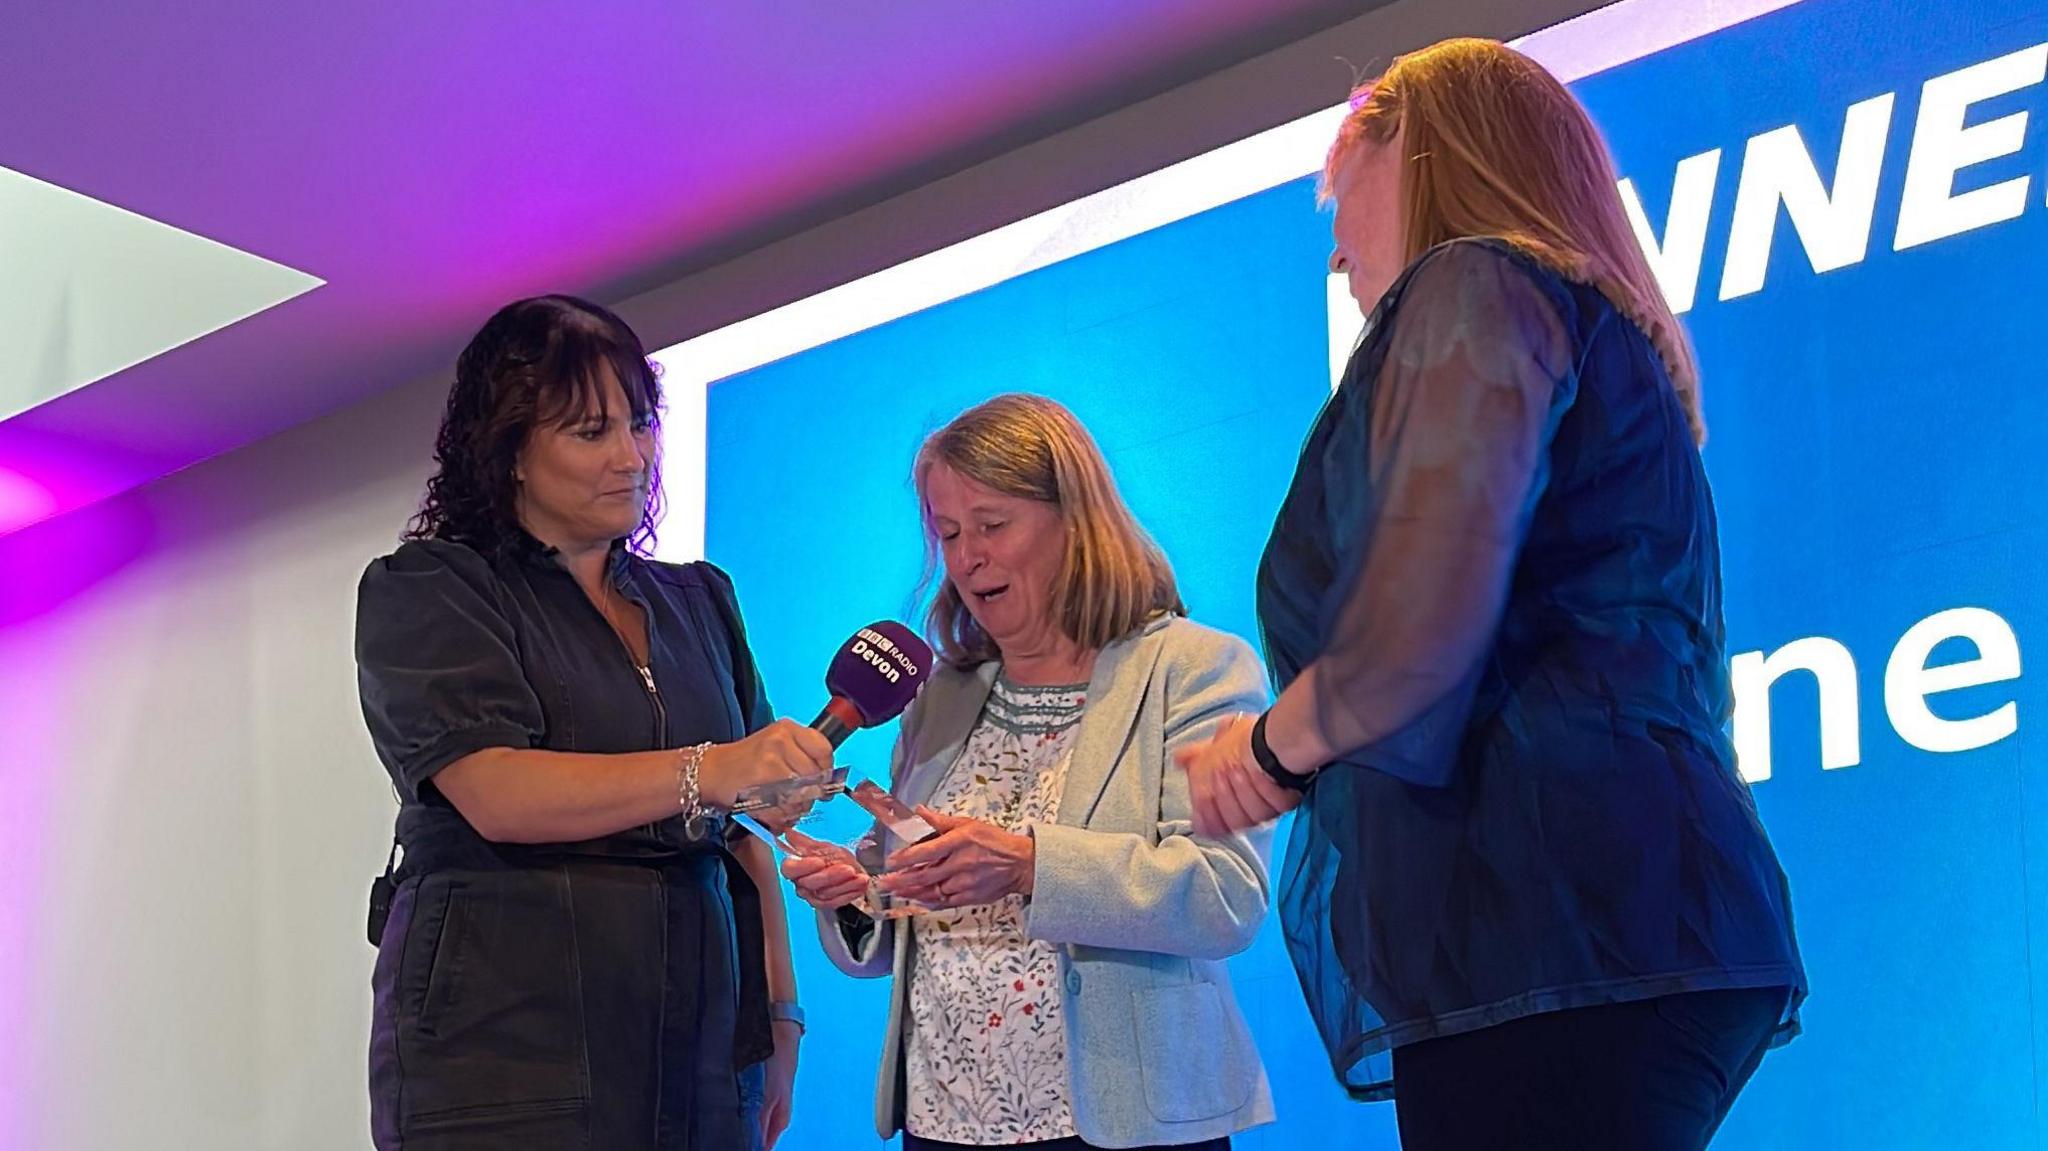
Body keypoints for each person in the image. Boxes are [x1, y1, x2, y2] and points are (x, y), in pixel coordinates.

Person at [1177, 38, 1807, 1150]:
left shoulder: (1474, 279)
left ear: (1416, 152)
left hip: (1552, 936)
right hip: (1612, 930)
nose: (1335, 252)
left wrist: (1266, 749)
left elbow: (1417, 625)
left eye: (1340, 193)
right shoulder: (1594, 337)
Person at [354, 295, 822, 1150]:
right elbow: (495, 790)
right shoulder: (430, 587)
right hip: (508, 1050)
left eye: (640, 424)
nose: (631, 456)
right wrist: (708, 768)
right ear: (512, 453)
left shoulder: (700, 599)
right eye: (591, 431)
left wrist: (779, 1018)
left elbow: (742, 834)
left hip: (700, 1053)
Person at [784, 394, 1275, 1151]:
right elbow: (902, 920)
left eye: (991, 524)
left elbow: (1224, 895)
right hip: (943, 1124)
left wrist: (1029, 864)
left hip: (1121, 1126)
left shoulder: (1194, 669)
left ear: (1074, 519)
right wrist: (856, 893)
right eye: (947, 532)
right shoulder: (938, 697)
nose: (965, 556)